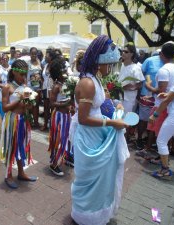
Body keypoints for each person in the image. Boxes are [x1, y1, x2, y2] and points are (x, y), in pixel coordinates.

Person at [70, 35, 129, 225]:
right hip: (89, 137)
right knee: (89, 179)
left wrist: (116, 105)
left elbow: (102, 101)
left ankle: (97, 214)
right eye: (109, 64)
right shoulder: (87, 83)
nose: (110, 68)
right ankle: (85, 217)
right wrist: (113, 124)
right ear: (99, 61)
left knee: (102, 178)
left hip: (98, 134)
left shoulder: (95, 78)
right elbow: (83, 118)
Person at [0, 59, 38, 189]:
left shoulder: (24, 87)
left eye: (25, 75)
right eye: (22, 74)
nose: (23, 77)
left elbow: (26, 105)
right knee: (11, 147)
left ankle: (21, 172)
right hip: (12, 120)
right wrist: (19, 101)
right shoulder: (7, 87)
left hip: (23, 120)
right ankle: (8, 175)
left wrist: (30, 103)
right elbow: (5, 108)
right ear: (15, 72)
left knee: (21, 146)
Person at [144, 42, 174, 162]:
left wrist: (148, 86)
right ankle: (163, 157)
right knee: (172, 137)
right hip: (172, 105)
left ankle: (163, 162)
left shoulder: (164, 70)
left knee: (160, 136)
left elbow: (161, 90)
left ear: (161, 54)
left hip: (164, 105)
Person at [149, 61, 174, 179]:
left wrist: (155, 115)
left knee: (161, 141)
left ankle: (165, 170)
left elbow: (166, 101)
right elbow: (173, 97)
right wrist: (166, 95)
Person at [47, 57, 72, 176]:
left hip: (67, 117)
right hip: (59, 117)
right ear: (58, 72)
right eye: (63, 70)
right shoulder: (56, 86)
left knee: (66, 139)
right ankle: (53, 164)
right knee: (57, 140)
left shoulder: (66, 84)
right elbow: (52, 103)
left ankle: (65, 157)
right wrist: (66, 104)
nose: (66, 72)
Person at [27, 47, 42, 128]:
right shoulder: (27, 63)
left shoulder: (39, 62)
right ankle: (29, 122)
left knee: (36, 105)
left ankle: (36, 122)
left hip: (38, 87)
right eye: (32, 53)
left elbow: (41, 74)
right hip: (30, 87)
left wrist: (41, 86)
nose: (33, 55)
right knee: (30, 105)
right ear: (30, 54)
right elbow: (25, 76)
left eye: (35, 53)